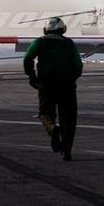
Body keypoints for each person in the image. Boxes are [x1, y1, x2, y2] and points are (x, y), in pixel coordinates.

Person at [23, 17, 83, 161]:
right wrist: (72, 78)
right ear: (63, 29)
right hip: (67, 87)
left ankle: (51, 128)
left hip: (46, 85)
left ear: (46, 29)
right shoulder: (69, 43)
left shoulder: (39, 42)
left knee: (45, 113)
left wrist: (32, 77)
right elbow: (78, 65)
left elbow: (27, 58)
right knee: (69, 119)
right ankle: (67, 151)